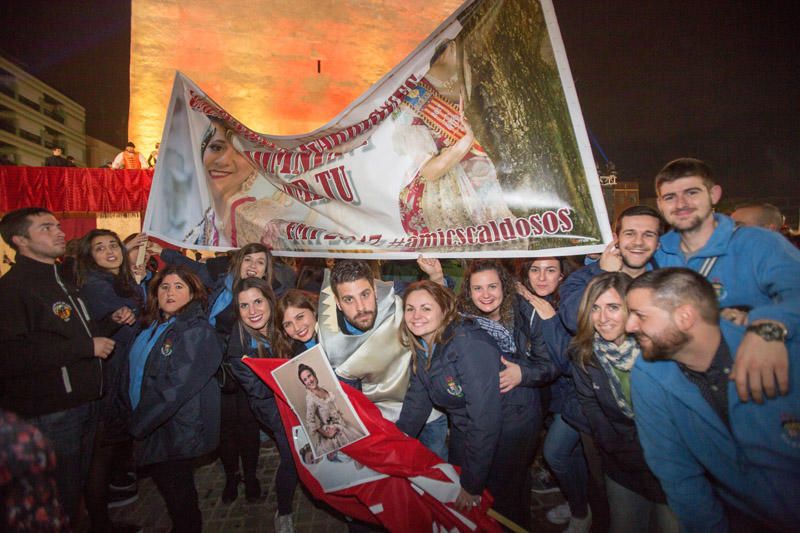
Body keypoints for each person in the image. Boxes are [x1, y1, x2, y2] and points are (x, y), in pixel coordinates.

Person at [626, 268, 800, 532]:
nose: (629, 326)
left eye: (640, 316)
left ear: (685, 316)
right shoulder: (648, 375)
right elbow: (677, 474)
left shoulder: (778, 352)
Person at [0, 207, 119, 526]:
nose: (59, 231)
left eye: (57, 225)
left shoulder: (60, 281)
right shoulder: (13, 290)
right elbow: (11, 356)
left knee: (80, 485)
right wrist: (85, 347)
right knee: (59, 497)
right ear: (20, 240)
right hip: (52, 411)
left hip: (83, 402)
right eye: (45, 228)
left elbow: (68, 332)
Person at [653, 158, 800, 403]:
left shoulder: (758, 243)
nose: (681, 204)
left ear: (714, 194)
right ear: (660, 204)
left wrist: (767, 326)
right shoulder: (658, 254)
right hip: (689, 392)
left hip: (756, 387)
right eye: (670, 197)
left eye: (691, 192)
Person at [153, 241, 279, 503]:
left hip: (248, 369)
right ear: (239, 262)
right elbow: (190, 266)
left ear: (267, 269)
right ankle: (232, 477)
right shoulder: (222, 283)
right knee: (224, 428)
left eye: (260, 262)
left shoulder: (271, 292)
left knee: (248, 427)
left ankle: (251, 477)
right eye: (248, 260)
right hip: (214, 369)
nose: (253, 266)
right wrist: (163, 252)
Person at [117, 265, 222, 533]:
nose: (170, 292)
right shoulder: (154, 326)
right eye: (164, 287)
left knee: (180, 498)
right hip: (151, 423)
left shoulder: (194, 331)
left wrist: (137, 427)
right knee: (172, 493)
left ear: (193, 292)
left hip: (172, 429)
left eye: (178, 287)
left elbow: (174, 387)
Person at [571, 272, 677, 533]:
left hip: (671, 465)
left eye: (613, 307)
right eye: (595, 308)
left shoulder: (662, 351)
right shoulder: (584, 353)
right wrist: (619, 449)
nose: (602, 318)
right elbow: (590, 404)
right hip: (622, 463)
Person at [317, 258, 448, 459]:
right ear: (338, 303)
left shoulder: (397, 299)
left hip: (428, 411)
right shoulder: (332, 343)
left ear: (375, 291)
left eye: (365, 294)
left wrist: (437, 276)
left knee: (438, 479)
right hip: (383, 420)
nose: (361, 307)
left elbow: (439, 310)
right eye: (349, 299)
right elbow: (354, 404)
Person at [456, 259, 553, 530]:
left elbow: (551, 365)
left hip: (520, 421)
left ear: (504, 286)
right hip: (484, 418)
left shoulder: (525, 313)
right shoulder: (463, 320)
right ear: (468, 292)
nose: (486, 294)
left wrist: (523, 373)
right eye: (478, 288)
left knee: (511, 487)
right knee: (486, 487)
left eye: (492, 286)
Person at [396, 281, 503, 514]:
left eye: (426, 308)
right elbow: (418, 398)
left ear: (444, 310)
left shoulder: (467, 344)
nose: (416, 316)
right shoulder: (425, 343)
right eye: (410, 309)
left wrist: (472, 485)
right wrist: (396, 443)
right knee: (456, 476)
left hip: (506, 425)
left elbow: (485, 420)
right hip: (464, 424)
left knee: (498, 499)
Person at [395, 39, 513, 238]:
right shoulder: (412, 101)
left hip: (495, 172)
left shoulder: (472, 62)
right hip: (461, 190)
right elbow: (430, 171)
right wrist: (464, 144)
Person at [76, 230, 146, 529]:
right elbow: (126, 313)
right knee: (106, 441)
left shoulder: (121, 280)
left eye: (113, 245)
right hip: (112, 370)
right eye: (99, 248)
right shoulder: (95, 284)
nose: (109, 251)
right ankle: (102, 513)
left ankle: (117, 488)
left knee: (117, 436)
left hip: (125, 365)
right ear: (89, 257)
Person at [516, 257, 591, 531]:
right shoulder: (529, 300)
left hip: (577, 396)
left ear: (562, 276)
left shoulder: (573, 305)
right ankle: (576, 499)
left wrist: (550, 320)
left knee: (556, 453)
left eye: (550, 270)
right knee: (571, 455)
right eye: (535, 270)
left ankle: (582, 512)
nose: (541, 277)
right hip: (552, 395)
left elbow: (572, 365)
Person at [227, 277, 297, 532]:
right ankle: (284, 512)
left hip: (302, 398)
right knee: (291, 456)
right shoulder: (239, 347)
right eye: (244, 306)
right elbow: (258, 391)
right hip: (272, 408)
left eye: (258, 301)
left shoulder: (285, 323)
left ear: (269, 300)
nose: (253, 311)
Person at [184, 117, 295, 247]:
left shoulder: (262, 216)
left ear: (254, 165)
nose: (223, 161)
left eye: (239, 151)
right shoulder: (207, 216)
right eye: (216, 147)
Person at [560, 205, 664, 334]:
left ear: (658, 243)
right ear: (616, 239)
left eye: (648, 235)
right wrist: (604, 275)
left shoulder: (667, 282)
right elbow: (573, 321)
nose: (638, 242)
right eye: (630, 233)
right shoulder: (582, 277)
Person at [299, 363, 363, 455]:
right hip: (332, 434)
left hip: (342, 427)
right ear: (304, 384)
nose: (309, 380)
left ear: (314, 375)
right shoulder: (310, 398)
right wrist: (327, 434)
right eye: (305, 380)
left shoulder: (323, 389)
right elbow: (310, 421)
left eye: (309, 376)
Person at [274, 289, 319, 356]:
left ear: (313, 311)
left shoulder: (337, 332)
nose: (297, 328)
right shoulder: (291, 354)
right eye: (288, 324)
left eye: (300, 317)